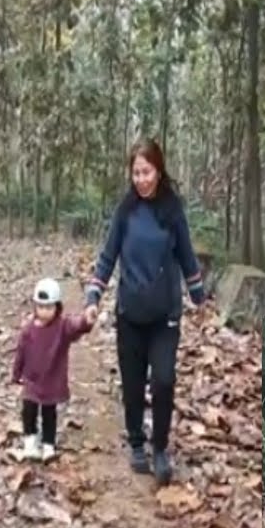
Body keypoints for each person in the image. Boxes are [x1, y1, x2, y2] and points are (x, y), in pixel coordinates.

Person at [85, 139, 207, 486]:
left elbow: (187, 256)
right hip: (130, 313)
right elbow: (108, 257)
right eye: (136, 173)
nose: (141, 179)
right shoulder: (125, 211)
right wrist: (94, 295)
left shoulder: (172, 210)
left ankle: (160, 448)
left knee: (164, 380)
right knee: (133, 383)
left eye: (147, 172)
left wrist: (198, 295)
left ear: (159, 171)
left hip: (165, 315)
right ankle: (137, 441)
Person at [9, 278, 95, 463]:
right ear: (35, 306)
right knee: (28, 410)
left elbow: (76, 325)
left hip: (51, 380)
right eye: (40, 307)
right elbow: (21, 353)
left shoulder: (62, 327)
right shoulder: (28, 330)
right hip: (32, 380)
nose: (44, 311)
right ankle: (30, 443)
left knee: (49, 413)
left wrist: (86, 321)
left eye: (49, 307)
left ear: (57, 307)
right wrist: (16, 374)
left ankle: (48, 445)